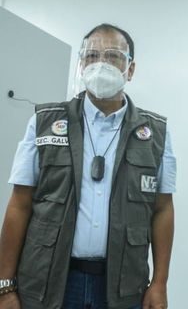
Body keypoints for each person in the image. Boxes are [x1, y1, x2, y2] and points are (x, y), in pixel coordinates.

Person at [0, 24, 176, 309]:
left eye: (113, 56)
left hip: (122, 285)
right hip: (49, 281)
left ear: (130, 69)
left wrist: (159, 283)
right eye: (92, 56)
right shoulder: (45, 122)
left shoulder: (155, 133)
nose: (101, 64)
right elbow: (20, 204)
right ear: (81, 64)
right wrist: (5, 285)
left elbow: (163, 209)